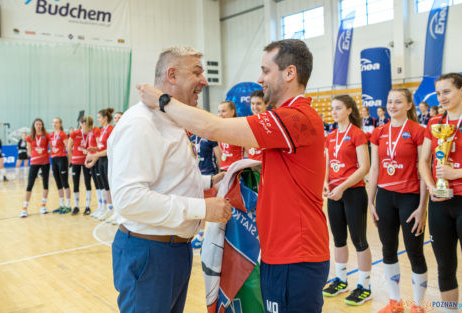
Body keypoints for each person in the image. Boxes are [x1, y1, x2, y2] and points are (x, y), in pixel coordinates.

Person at [138, 39, 330, 313]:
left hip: (296, 255)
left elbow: (212, 127)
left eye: (266, 71)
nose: (260, 78)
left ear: (289, 73)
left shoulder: (295, 117)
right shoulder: (287, 117)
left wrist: (162, 100)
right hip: (282, 254)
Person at [108, 46, 231, 313]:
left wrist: (211, 183)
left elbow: (170, 179)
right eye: (197, 72)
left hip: (173, 250)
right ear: (172, 75)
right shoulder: (141, 124)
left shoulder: (171, 120)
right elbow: (129, 200)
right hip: (150, 252)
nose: (204, 81)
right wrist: (202, 208)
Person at [369, 88, 428, 313]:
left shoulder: (418, 131)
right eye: (390, 102)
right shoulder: (378, 132)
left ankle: (419, 304)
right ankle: (395, 302)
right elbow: (374, 169)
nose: (392, 106)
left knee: (414, 251)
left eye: (398, 102)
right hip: (384, 197)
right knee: (388, 249)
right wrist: (370, 201)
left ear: (409, 105)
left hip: (410, 198)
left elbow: (423, 171)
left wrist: (423, 207)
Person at [418, 73, 462, 313]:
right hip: (439, 203)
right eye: (438, 93)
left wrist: (457, 174)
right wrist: (432, 184)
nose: (442, 97)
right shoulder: (435, 122)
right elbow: (423, 161)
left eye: (447, 91)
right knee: (445, 266)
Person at [322, 95, 372, 306]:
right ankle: (342, 280)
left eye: (338, 108)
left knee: (359, 240)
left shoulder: (357, 134)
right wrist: (325, 182)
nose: (334, 111)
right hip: (334, 194)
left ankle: (365, 286)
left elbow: (364, 167)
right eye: (332, 108)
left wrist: (342, 186)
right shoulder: (330, 136)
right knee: (339, 239)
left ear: (349, 110)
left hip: (353, 193)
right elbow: (327, 162)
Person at [85, 108, 114, 221]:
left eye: (99, 117)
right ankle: (108, 209)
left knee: (109, 185)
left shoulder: (111, 129)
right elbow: (102, 146)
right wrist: (94, 149)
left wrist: (95, 154)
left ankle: (114, 210)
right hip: (101, 158)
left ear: (105, 118)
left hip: (107, 159)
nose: (98, 119)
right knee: (104, 185)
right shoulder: (102, 130)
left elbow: (110, 148)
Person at [20, 118, 50, 218]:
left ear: (42, 125)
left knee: (45, 183)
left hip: (45, 161)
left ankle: (43, 205)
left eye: (40, 124)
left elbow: (51, 147)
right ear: (34, 125)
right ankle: (24, 208)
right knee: (30, 184)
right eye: (37, 124)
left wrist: (46, 153)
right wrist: (33, 154)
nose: (38, 126)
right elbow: (29, 150)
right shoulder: (30, 137)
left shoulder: (46, 135)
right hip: (34, 162)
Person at [68, 116, 96, 215]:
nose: (88, 127)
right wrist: (70, 161)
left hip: (87, 161)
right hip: (75, 162)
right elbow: (69, 147)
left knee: (88, 183)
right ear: (82, 124)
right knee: (75, 184)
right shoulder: (74, 133)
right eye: (85, 125)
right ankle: (76, 206)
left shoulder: (91, 133)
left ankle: (88, 206)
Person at [50, 118, 72, 214]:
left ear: (60, 124)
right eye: (53, 122)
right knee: (58, 183)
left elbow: (68, 148)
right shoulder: (51, 135)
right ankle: (61, 205)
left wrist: (69, 161)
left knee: (65, 182)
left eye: (56, 122)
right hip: (54, 159)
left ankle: (68, 205)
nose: (54, 124)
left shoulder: (62, 134)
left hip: (62, 159)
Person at [218, 101, 244, 171]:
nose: (220, 114)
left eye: (223, 111)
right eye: (219, 111)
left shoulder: (239, 128)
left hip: (237, 169)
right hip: (224, 169)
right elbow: (221, 151)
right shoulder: (219, 130)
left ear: (232, 112)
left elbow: (248, 151)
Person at [247, 90, 269, 160]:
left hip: (265, 165)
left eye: (258, 103)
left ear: (267, 103)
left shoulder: (270, 122)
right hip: (251, 164)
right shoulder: (248, 121)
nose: (255, 107)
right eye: (252, 104)